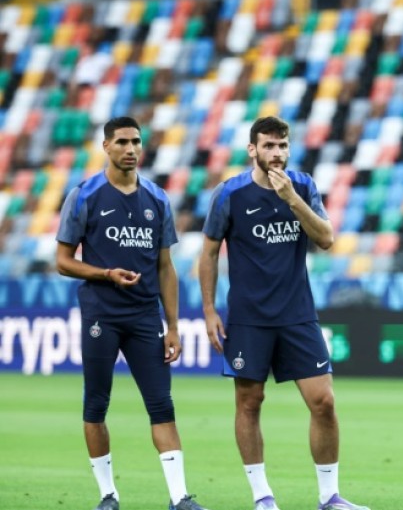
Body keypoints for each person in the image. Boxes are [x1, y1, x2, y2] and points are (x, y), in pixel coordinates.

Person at [199, 116, 368, 510]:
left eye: (282, 146)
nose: (276, 154)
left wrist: (292, 199)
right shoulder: (230, 194)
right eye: (268, 146)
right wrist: (209, 309)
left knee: (323, 401)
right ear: (252, 150)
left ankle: (330, 497)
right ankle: (262, 496)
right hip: (249, 317)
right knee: (249, 402)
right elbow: (207, 253)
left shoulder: (304, 186)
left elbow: (326, 238)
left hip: (297, 314)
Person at [55, 116, 210, 510]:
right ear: (105, 146)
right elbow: (62, 261)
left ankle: (180, 499)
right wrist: (105, 274)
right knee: (96, 404)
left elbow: (165, 267)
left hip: (144, 318)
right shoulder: (85, 195)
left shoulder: (157, 199)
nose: (130, 149)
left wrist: (173, 325)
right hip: (101, 316)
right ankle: (108, 495)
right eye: (122, 141)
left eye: (136, 141)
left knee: (162, 405)